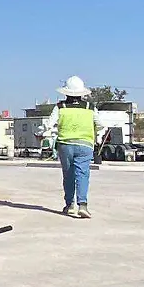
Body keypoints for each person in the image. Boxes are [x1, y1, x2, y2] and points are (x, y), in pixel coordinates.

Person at [42, 76, 105, 218]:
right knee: (82, 174)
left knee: (68, 174)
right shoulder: (90, 108)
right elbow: (100, 125)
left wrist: (40, 132)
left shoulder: (60, 107)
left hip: (66, 145)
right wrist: (97, 136)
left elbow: (49, 124)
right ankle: (82, 205)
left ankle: (70, 205)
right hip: (85, 145)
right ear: (82, 93)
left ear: (66, 92)